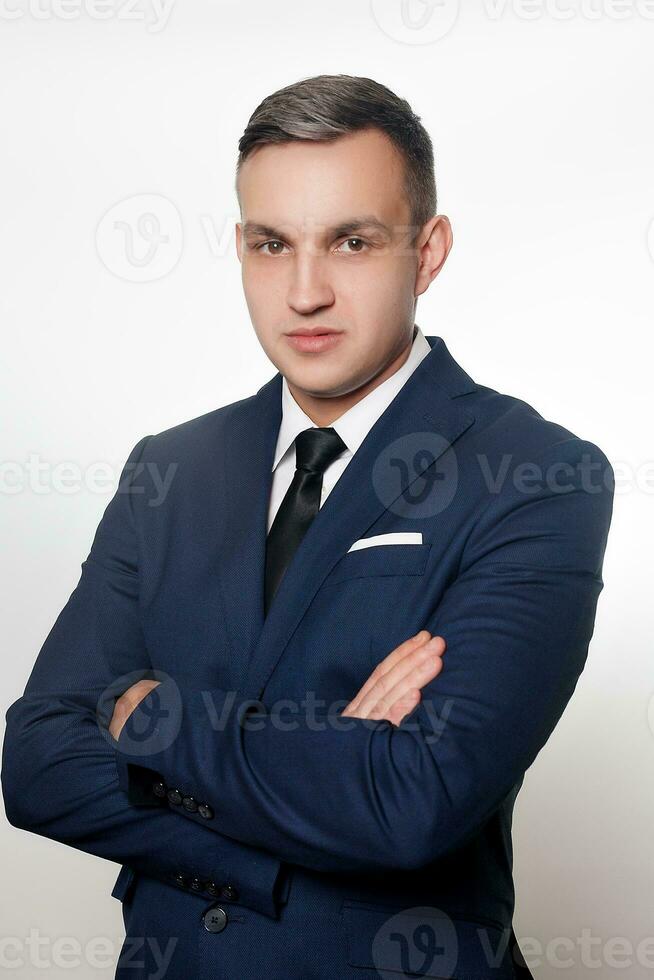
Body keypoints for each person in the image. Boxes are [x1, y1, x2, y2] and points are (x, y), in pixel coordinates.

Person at [2, 74, 613, 979]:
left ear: (428, 251)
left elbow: (413, 801)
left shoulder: (537, 475)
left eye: (352, 242)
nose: (305, 291)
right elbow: (39, 763)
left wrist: (149, 720)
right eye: (270, 243)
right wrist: (334, 757)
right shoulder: (168, 468)